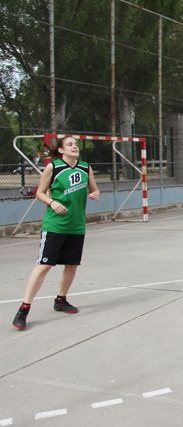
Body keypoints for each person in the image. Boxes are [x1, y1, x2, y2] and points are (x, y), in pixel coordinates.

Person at [13, 136, 100, 330]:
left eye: (76, 144)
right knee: (44, 266)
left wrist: (94, 194)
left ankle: (60, 300)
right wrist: (52, 202)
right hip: (55, 225)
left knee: (71, 265)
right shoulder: (53, 167)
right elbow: (40, 192)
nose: (75, 146)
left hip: (76, 225)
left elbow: (94, 189)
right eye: (70, 144)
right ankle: (24, 309)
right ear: (61, 150)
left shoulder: (86, 167)